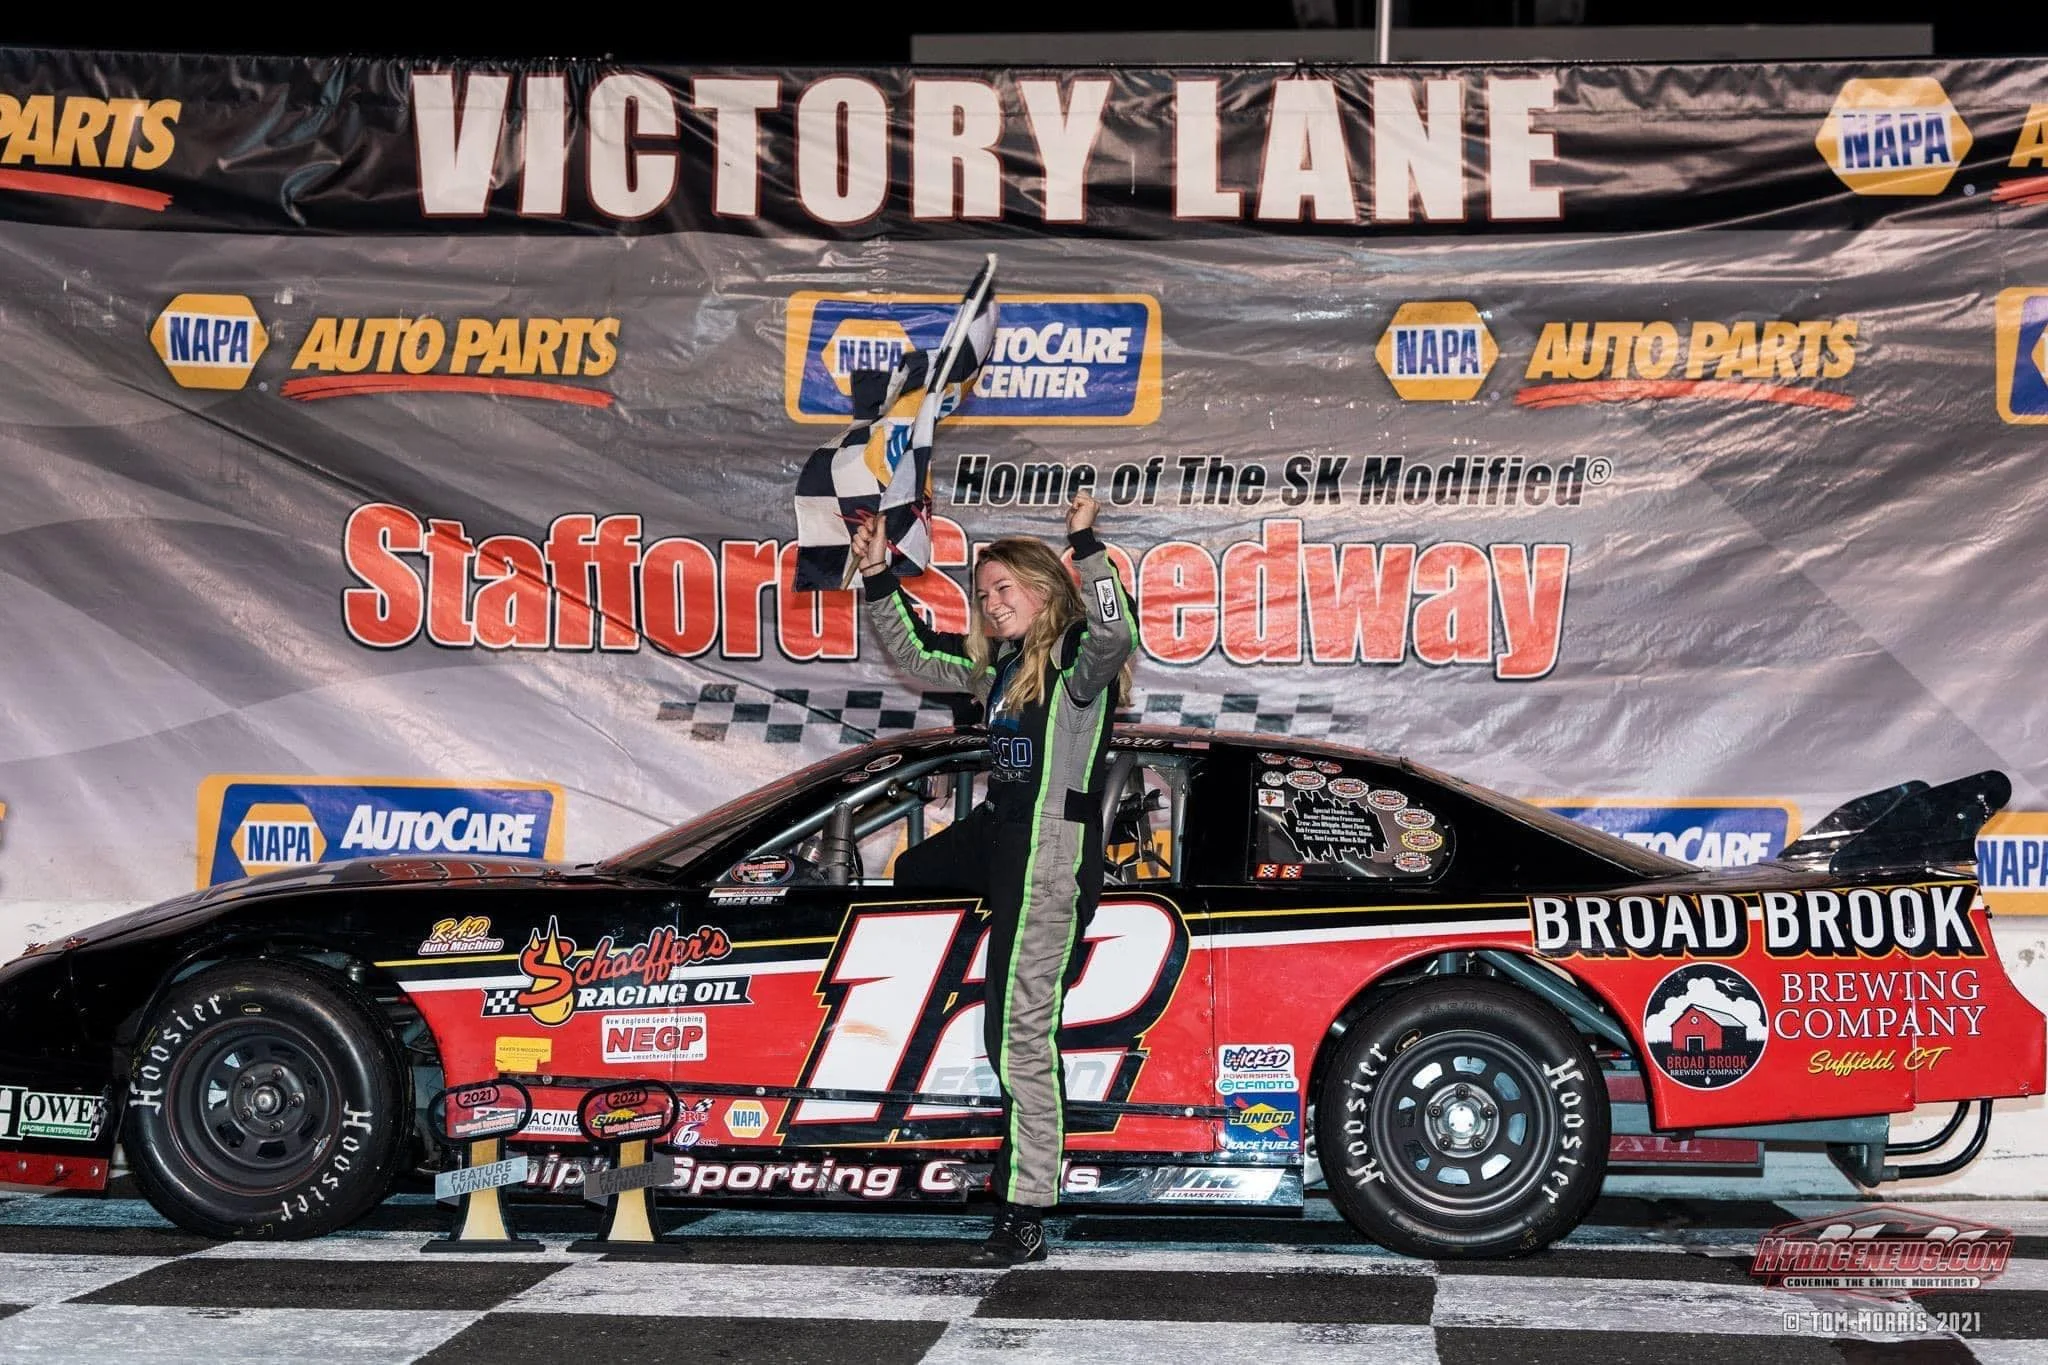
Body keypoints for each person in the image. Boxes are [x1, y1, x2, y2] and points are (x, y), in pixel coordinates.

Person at [851, 492, 1135, 1263]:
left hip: (1050, 851)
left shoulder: (1078, 663)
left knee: (1015, 1035)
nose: (992, 603)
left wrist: (1086, 543)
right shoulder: (1002, 666)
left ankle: (1024, 1207)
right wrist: (879, 577)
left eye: (1005, 590)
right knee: (910, 871)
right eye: (983, 595)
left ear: (1046, 590)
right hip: (999, 837)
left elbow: (1117, 629)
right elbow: (916, 658)